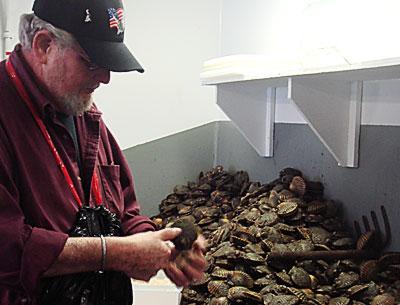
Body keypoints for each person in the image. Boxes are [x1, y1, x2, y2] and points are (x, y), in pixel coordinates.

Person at [0, 0, 206, 304]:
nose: (106, 77)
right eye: (92, 61)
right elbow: (7, 249)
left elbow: (123, 210)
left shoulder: (82, 110)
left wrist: (163, 246)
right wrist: (115, 254)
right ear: (44, 45)